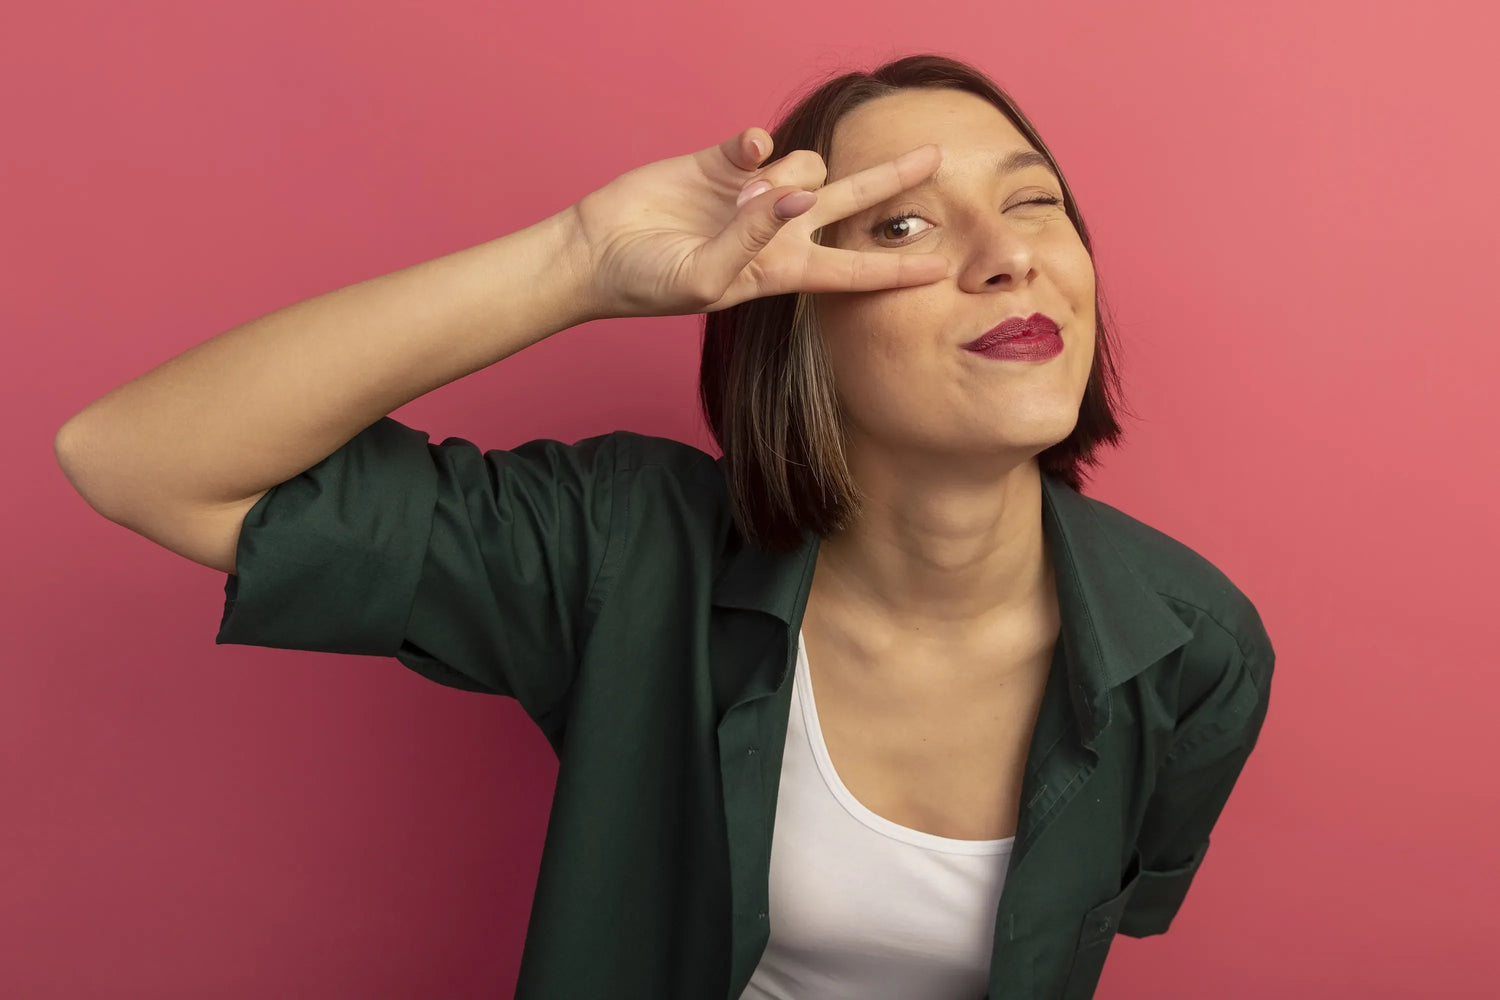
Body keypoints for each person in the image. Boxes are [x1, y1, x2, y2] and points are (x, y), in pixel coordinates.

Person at [55, 53, 1275, 1000]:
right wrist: (578, 259)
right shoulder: (620, 551)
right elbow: (137, 460)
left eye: (1036, 204)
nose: (1010, 257)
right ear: (792, 315)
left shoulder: (1199, 652)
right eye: (903, 225)